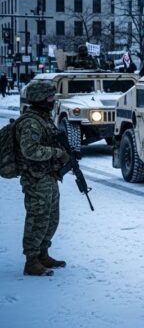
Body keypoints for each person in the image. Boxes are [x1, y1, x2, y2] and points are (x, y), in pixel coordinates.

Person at [15, 81, 70, 276]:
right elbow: (29, 150)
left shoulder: (44, 118)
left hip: (48, 176)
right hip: (35, 178)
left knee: (51, 217)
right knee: (38, 217)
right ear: (40, 99)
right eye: (50, 97)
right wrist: (55, 153)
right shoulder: (31, 122)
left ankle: (42, 253)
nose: (53, 101)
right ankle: (31, 260)